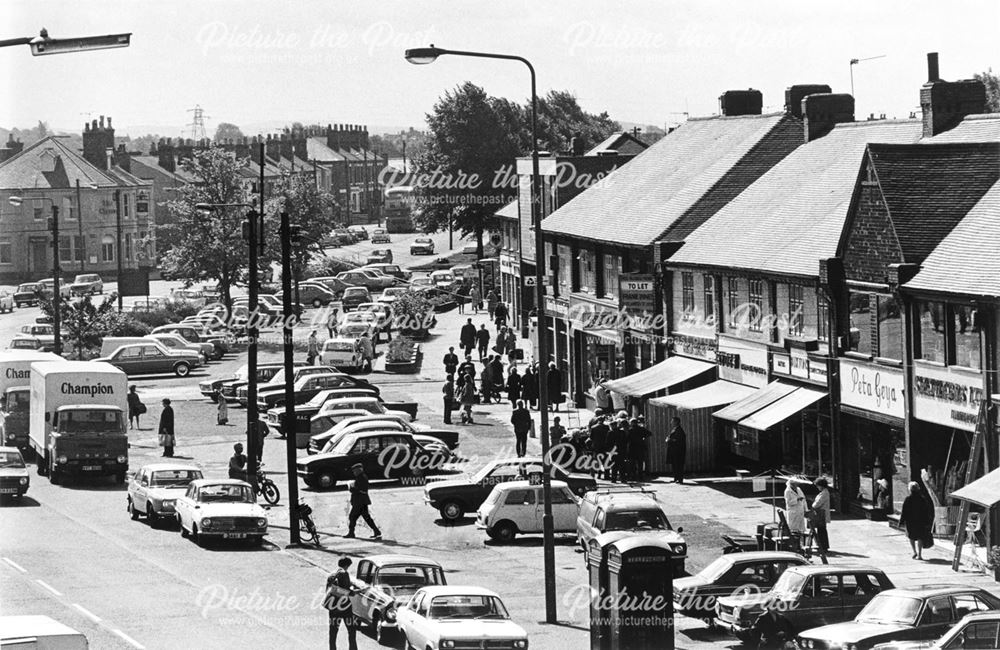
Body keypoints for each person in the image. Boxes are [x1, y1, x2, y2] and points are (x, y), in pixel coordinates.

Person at [325, 557, 359, 650]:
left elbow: (328, 590)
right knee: (351, 630)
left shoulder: (331, 575)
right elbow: (346, 590)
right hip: (344, 607)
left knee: (333, 631)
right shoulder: (344, 573)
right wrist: (354, 591)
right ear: (347, 565)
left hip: (333, 606)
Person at [346, 463, 381, 539]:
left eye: (355, 471)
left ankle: (351, 533)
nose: (354, 473)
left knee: (352, 517)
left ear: (359, 470)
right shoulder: (361, 477)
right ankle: (376, 531)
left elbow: (362, 490)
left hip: (360, 502)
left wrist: (351, 488)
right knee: (366, 517)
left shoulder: (361, 478)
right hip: (362, 501)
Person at [900, 481, 932, 560]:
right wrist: (928, 521)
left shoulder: (908, 499)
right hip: (920, 521)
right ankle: (920, 554)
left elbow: (904, 511)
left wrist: (901, 521)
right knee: (920, 537)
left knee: (911, 537)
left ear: (910, 489)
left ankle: (914, 552)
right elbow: (926, 511)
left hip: (910, 521)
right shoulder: (922, 499)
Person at [810, 477, 832, 553]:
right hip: (821, 514)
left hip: (821, 514)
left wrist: (813, 505)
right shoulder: (823, 492)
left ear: (821, 485)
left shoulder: (824, 493)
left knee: (822, 530)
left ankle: (823, 546)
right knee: (821, 530)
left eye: (818, 486)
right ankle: (822, 546)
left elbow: (817, 504)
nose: (817, 487)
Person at [665, 416, 687, 483]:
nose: (671, 422)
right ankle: (676, 478)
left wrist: (669, 440)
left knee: (678, 465)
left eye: (672, 421)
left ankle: (679, 479)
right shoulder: (675, 429)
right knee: (675, 465)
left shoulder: (679, 430)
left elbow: (678, 440)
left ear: (676, 422)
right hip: (674, 451)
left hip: (678, 451)